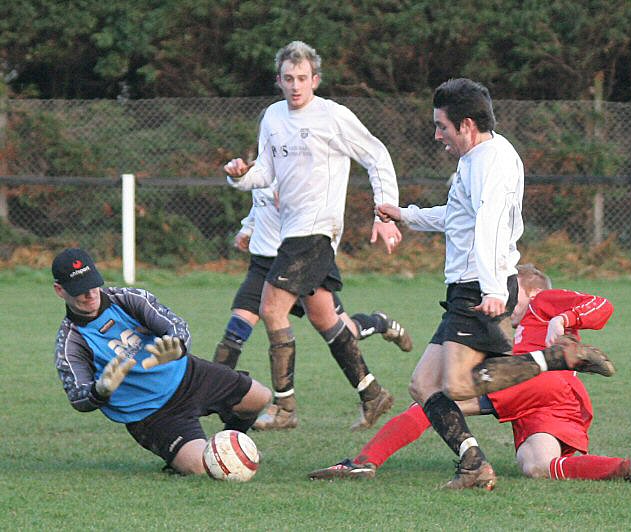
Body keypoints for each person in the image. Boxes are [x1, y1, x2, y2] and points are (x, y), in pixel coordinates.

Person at [375, 78, 615, 490]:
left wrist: (491, 290)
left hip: (478, 287)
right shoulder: (475, 160)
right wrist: (406, 215)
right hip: (464, 288)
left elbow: (488, 226)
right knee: (423, 385)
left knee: (456, 385)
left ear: (466, 125)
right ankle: (473, 463)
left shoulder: (492, 160)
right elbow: (458, 219)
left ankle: (558, 360)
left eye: (442, 126)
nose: (437, 135)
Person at [308, 265, 631, 485]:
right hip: (553, 399)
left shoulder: (544, 302)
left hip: (542, 380)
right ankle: (630, 468)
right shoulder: (506, 329)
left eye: (515, 297)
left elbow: (603, 305)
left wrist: (564, 319)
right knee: (537, 466)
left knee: (435, 401)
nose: (508, 307)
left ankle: (363, 462)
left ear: (533, 290)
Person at [223, 41, 402, 432]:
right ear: (279, 81)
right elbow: (265, 174)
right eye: (288, 78)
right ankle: (373, 395)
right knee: (325, 319)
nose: (295, 85)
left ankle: (285, 408)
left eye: (302, 78)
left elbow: (377, 155)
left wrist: (385, 210)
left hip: (316, 229)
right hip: (293, 233)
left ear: (315, 80)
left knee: (271, 309)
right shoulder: (271, 117)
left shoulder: (333, 117)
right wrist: (239, 176)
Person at [51, 248, 272, 475]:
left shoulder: (129, 299)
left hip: (189, 375)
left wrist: (176, 347)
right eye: (80, 290)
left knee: (260, 397)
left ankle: (233, 447)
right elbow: (78, 397)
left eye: (92, 284)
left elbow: (177, 326)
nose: (90, 294)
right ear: (60, 290)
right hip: (152, 415)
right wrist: (100, 390)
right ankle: (185, 458)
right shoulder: (71, 342)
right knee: (202, 467)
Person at [213, 186, 413, 431]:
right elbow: (259, 201)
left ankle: (379, 326)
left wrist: (289, 196)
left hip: (300, 256)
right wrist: (248, 228)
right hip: (264, 262)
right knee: (236, 331)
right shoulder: (268, 158)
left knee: (340, 327)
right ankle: (213, 394)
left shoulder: (301, 161)